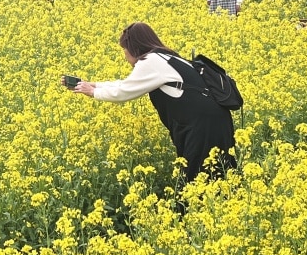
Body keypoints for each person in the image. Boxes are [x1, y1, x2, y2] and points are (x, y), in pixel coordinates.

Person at [69, 22, 236, 183]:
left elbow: (123, 92)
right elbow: (128, 83)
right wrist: (95, 85)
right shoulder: (165, 57)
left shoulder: (151, 61)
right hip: (215, 121)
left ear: (133, 47)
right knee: (220, 175)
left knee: (196, 179)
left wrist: (93, 92)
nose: (125, 55)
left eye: (124, 50)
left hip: (202, 127)